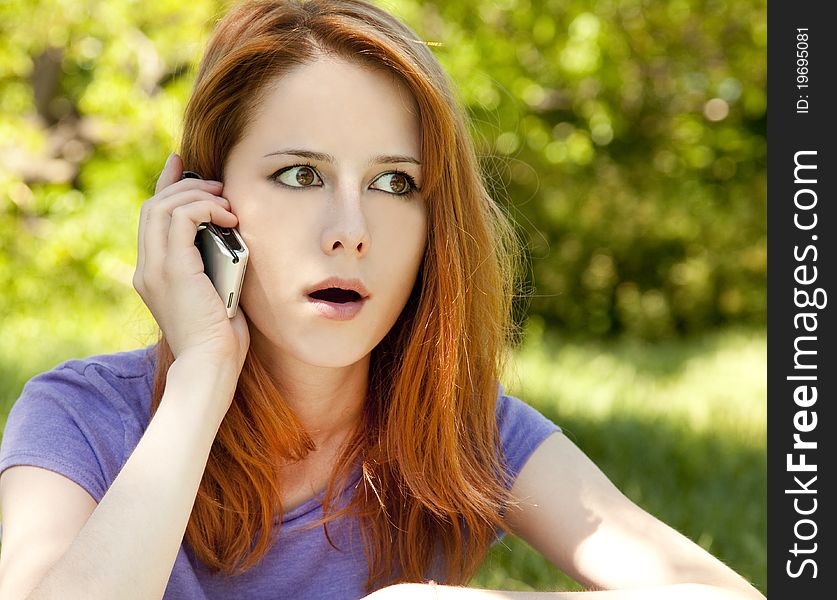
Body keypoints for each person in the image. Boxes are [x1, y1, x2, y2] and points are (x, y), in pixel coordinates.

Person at [0, 1, 765, 599]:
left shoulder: (462, 430)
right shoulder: (82, 418)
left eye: (394, 183)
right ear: (205, 202)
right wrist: (203, 377)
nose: (350, 231)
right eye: (300, 175)